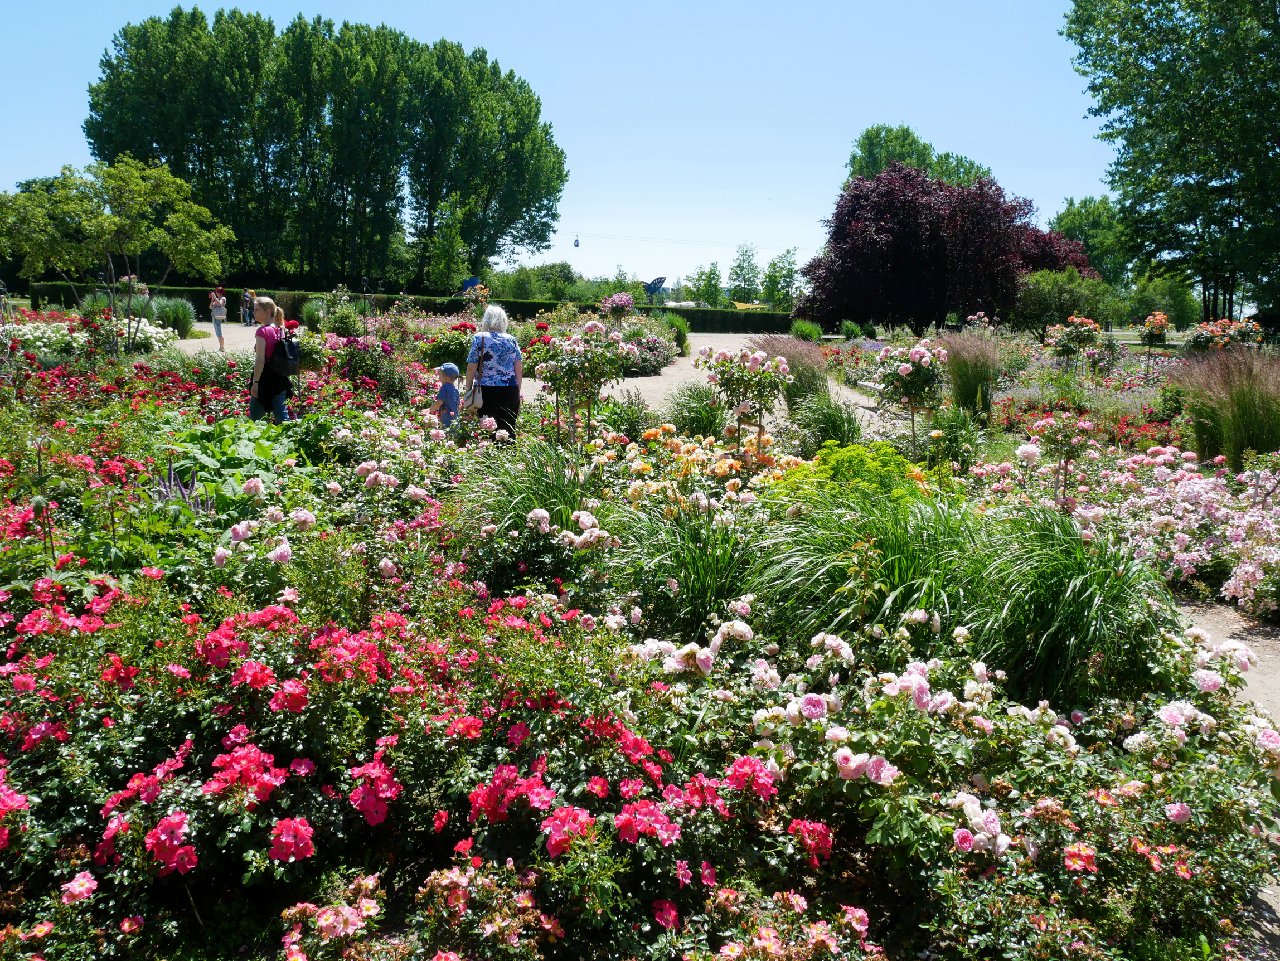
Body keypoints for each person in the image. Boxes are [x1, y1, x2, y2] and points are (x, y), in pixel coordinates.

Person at [465, 305, 523, 437]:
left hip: (486, 391)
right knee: (508, 432)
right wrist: (517, 391)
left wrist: (468, 389)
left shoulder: (479, 338)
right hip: (509, 391)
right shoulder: (511, 339)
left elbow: (471, 367)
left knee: (487, 432)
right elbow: (518, 370)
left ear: (486, 320)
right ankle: (509, 457)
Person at [248, 296, 292, 423]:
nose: (253, 312)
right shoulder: (280, 329)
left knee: (255, 420)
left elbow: (260, 360)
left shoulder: (262, 331)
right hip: (279, 378)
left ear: (267, 311)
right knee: (282, 417)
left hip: (264, 379)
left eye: (256, 310)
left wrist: (255, 383)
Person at [429, 362, 461, 428]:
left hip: (446, 420)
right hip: (455, 420)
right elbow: (458, 405)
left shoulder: (444, 388)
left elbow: (439, 402)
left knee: (446, 435)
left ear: (446, 378)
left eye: (440, 376)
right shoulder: (456, 390)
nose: (439, 377)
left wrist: (431, 409)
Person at [209, 285, 227, 352]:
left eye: (217, 291)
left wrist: (215, 298)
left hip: (218, 316)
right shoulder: (217, 299)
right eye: (216, 291)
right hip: (214, 316)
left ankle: (222, 347)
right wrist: (212, 299)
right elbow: (210, 307)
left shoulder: (223, 298)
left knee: (219, 332)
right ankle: (221, 347)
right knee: (217, 332)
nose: (216, 292)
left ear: (221, 292)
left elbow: (220, 304)